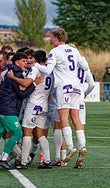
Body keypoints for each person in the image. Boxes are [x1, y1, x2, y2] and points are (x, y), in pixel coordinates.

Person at [34, 28, 89, 164]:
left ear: (56, 38)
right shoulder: (74, 51)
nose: (51, 40)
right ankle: (82, 146)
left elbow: (47, 70)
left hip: (64, 86)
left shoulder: (55, 51)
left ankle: (70, 147)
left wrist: (35, 65)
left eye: (52, 37)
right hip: (76, 86)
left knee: (63, 118)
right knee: (76, 118)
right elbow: (85, 67)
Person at [0, 52, 36, 170]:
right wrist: (33, 84)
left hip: (1, 108)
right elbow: (21, 94)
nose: (26, 63)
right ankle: (3, 158)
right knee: (18, 133)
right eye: (23, 61)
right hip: (8, 109)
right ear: (17, 61)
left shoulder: (11, 71)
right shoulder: (16, 73)